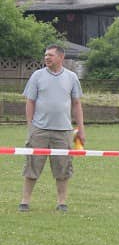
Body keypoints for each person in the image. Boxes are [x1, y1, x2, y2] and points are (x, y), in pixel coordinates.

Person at [19, 44, 85, 213]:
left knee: (63, 168)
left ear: (61, 57)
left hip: (63, 132)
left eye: (50, 55)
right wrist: (31, 126)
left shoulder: (71, 77)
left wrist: (81, 129)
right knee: (32, 166)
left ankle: (62, 202)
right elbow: (30, 102)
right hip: (39, 130)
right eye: (45, 55)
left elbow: (76, 104)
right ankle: (25, 202)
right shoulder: (37, 76)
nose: (46, 57)